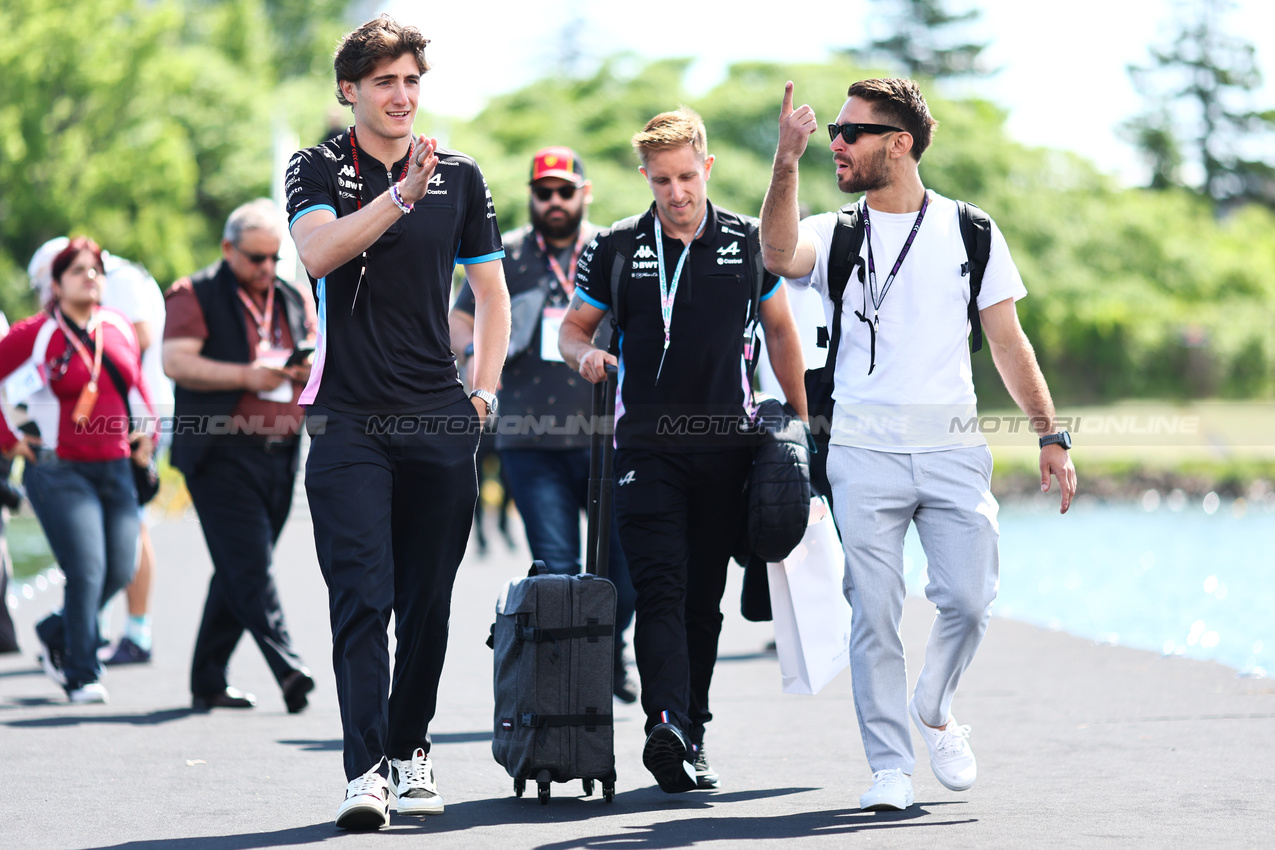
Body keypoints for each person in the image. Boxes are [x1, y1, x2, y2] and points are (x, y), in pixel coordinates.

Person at [760, 78, 1078, 811]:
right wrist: (786, 161)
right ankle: (888, 767)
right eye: (832, 131)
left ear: (898, 144)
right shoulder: (836, 230)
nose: (836, 143)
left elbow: (1006, 340)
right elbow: (777, 254)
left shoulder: (970, 230)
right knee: (871, 608)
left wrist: (1049, 433)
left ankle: (931, 706)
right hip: (861, 449)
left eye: (851, 133)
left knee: (968, 598)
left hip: (950, 443)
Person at [285, 15, 509, 830]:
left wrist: (480, 394)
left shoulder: (463, 175)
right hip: (345, 420)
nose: (402, 96)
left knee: (427, 603)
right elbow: (318, 254)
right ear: (351, 90)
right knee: (361, 597)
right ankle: (364, 770)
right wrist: (400, 194)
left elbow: (490, 296)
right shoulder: (313, 166)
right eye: (385, 82)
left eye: (412, 81)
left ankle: (411, 748)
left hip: (439, 419)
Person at [560, 108, 807, 793]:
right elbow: (573, 329)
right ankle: (663, 723)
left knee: (702, 601)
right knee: (661, 590)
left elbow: (782, 333)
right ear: (645, 177)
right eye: (662, 179)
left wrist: (801, 428)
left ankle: (691, 731)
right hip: (644, 449)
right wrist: (584, 356)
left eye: (687, 176)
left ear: (707, 167)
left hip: (730, 450)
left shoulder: (748, 241)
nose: (676, 191)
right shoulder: (612, 247)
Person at [450, 146, 639, 704]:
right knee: (556, 566)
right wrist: (471, 354)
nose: (554, 201)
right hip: (531, 439)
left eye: (565, 190)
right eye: (543, 192)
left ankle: (610, 645)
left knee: (622, 565)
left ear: (585, 193)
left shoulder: (614, 249)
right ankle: (571, 680)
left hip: (609, 438)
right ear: (531, 197)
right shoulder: (505, 252)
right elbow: (463, 316)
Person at [163, 198, 317, 715]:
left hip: (280, 452)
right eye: (256, 258)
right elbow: (176, 361)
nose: (267, 269)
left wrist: (302, 372)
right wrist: (246, 375)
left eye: (275, 258)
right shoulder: (196, 293)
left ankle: (207, 679)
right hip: (220, 451)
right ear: (228, 248)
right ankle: (289, 668)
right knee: (249, 565)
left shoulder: (292, 296)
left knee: (238, 565)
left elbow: (315, 351)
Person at [0, 237, 155, 703]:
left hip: (117, 466)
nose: (91, 277)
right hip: (59, 469)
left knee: (119, 568)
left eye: (97, 270)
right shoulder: (34, 333)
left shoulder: (119, 326)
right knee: (87, 568)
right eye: (79, 271)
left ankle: (55, 629)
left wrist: (148, 434)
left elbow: (138, 388)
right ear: (56, 283)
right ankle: (82, 672)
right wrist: (11, 440)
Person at [27, 238, 174, 664]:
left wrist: (84, 343)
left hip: (126, 426)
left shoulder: (117, 290)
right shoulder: (112, 286)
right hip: (110, 426)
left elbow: (141, 338)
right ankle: (83, 634)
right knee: (94, 554)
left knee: (126, 539)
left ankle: (128, 631)